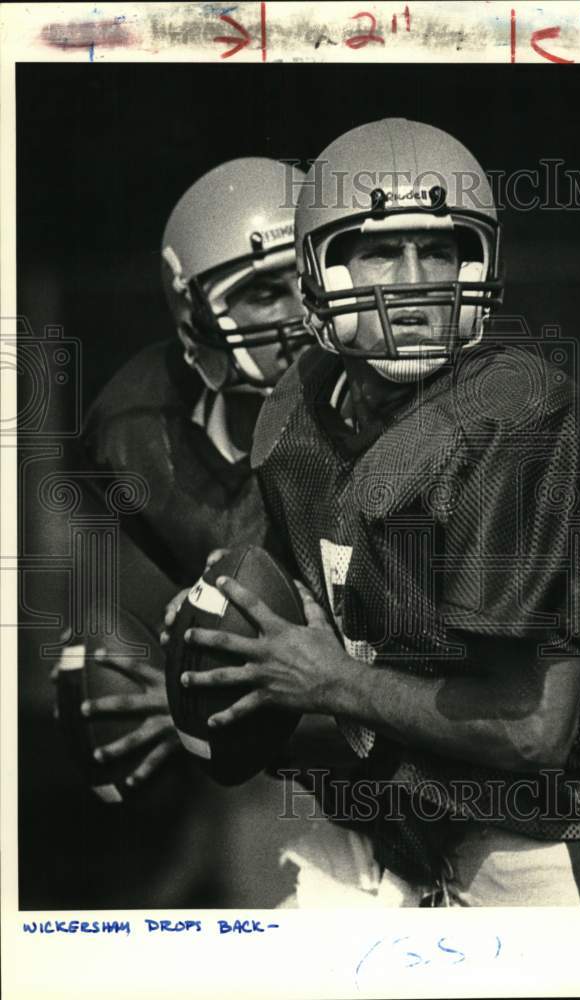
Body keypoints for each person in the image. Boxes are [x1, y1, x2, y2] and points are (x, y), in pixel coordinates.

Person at [179, 119, 580, 906]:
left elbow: (529, 731)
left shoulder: (511, 415)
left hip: (548, 849)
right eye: (381, 249)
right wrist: (220, 646)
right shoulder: (295, 415)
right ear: (320, 270)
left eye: (440, 250)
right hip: (404, 843)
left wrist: (333, 682)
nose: (415, 282)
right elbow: (306, 630)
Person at [63, 157, 311, 789]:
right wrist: (170, 672)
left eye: (310, 282)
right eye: (262, 292)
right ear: (193, 318)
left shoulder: (390, 423)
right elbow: (138, 619)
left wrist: (197, 711)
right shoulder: (134, 429)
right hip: (314, 790)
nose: (303, 316)